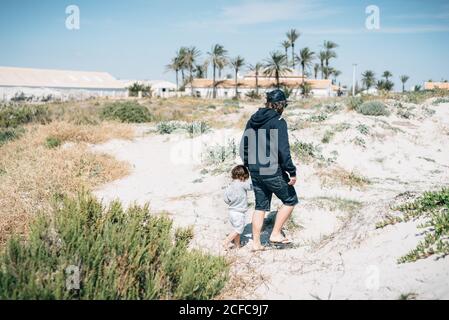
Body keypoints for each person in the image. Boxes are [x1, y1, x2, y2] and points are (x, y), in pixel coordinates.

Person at [240, 89, 299, 251]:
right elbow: (283, 150)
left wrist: (248, 164)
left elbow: (245, 144)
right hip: (271, 169)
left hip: (255, 169)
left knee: (260, 206)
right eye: (284, 105)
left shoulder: (253, 120)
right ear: (280, 105)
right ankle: (275, 234)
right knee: (290, 200)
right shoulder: (278, 121)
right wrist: (291, 172)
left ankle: (257, 243)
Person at [223, 165, 253, 250]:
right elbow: (251, 187)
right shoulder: (243, 183)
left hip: (231, 211)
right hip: (239, 212)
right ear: (243, 176)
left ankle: (237, 245)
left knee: (236, 229)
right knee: (238, 230)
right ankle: (226, 242)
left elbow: (225, 198)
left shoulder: (229, 185)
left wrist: (231, 202)